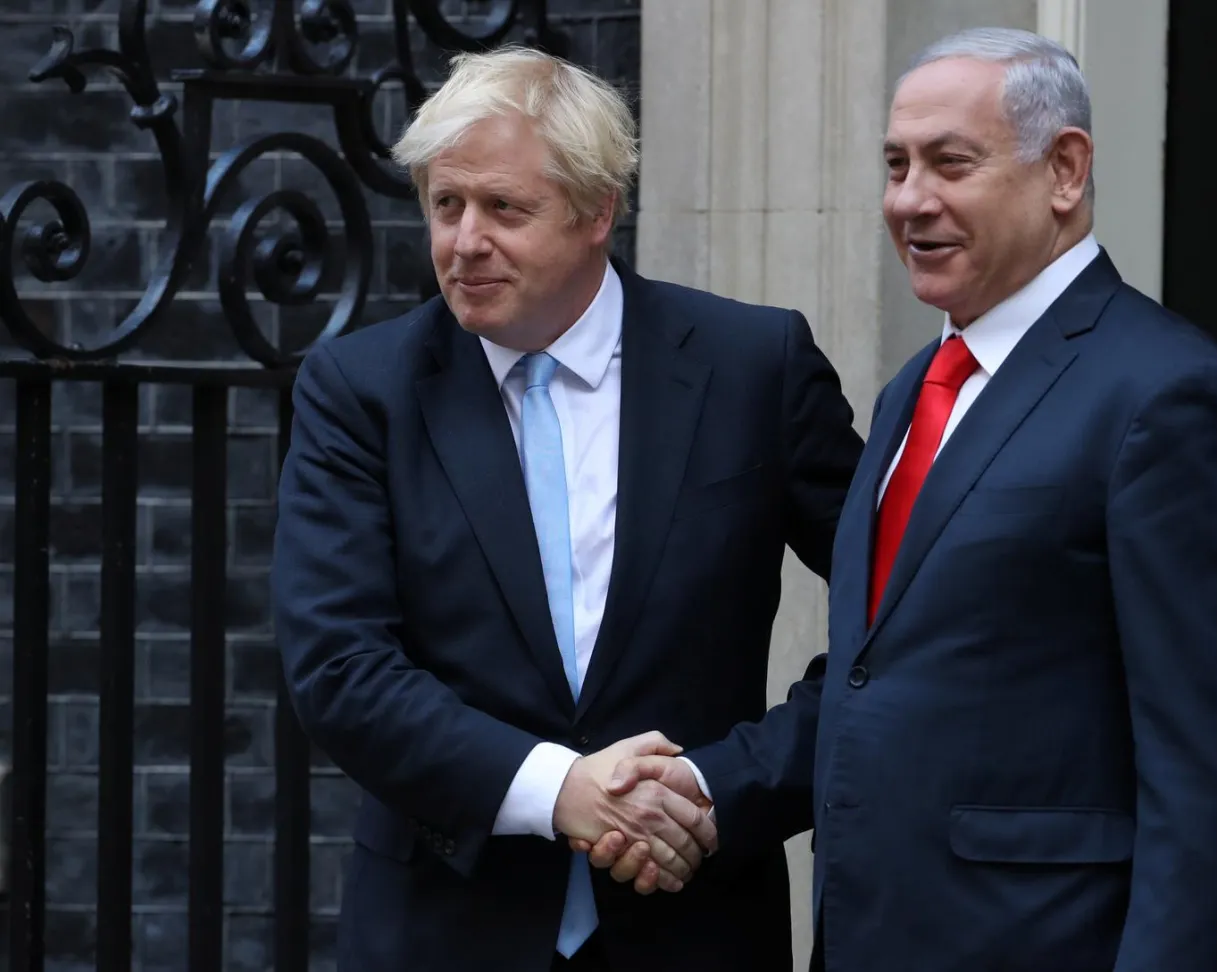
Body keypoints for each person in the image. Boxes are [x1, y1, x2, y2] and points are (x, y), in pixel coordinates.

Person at [580, 27, 1217, 972]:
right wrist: (709, 790)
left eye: (950, 163)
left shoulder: (1169, 397)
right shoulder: (914, 391)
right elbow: (883, 675)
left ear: (1065, 170)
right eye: (896, 165)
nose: (910, 199)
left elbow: (1212, 774)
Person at [270, 46, 863, 972]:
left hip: (696, 924)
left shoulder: (753, 367)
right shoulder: (360, 390)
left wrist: (727, 785)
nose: (466, 241)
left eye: (504, 208)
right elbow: (339, 665)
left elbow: (902, 615)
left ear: (598, 212)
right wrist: (561, 789)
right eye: (446, 205)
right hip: (446, 929)